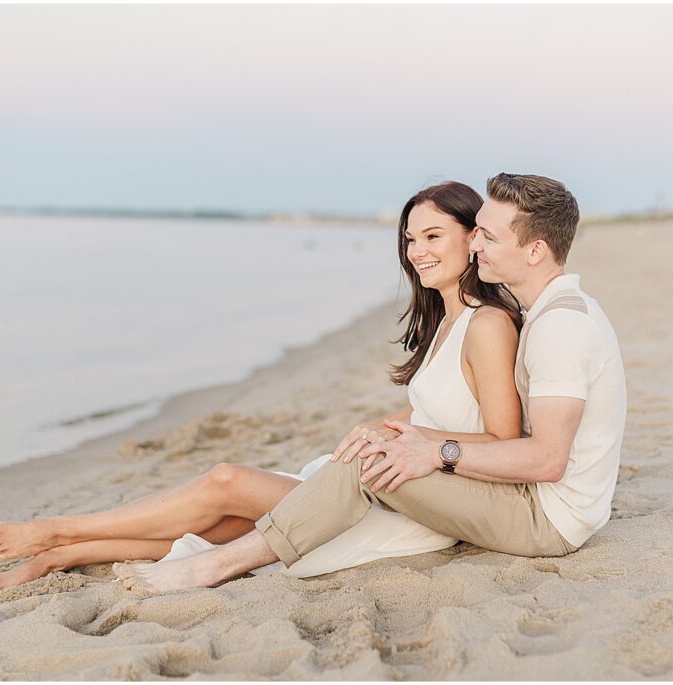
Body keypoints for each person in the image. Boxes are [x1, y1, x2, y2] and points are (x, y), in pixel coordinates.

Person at [0, 180, 524, 591]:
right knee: (233, 521)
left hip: (413, 505)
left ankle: (56, 530)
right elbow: (448, 407)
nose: (417, 251)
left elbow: (502, 439)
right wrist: (387, 425)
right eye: (410, 238)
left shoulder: (488, 324)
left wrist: (407, 443)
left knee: (225, 481)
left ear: (473, 238)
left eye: (433, 236)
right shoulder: (448, 319)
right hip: (389, 480)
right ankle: (60, 554)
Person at [115, 172, 627, 594]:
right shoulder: (548, 313)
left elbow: (545, 459)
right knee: (380, 449)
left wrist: (435, 450)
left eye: (487, 235)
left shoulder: (561, 326)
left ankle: (213, 567)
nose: (474, 242)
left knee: (376, 460)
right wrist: (410, 433)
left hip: (547, 519)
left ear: (536, 251)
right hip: (537, 501)